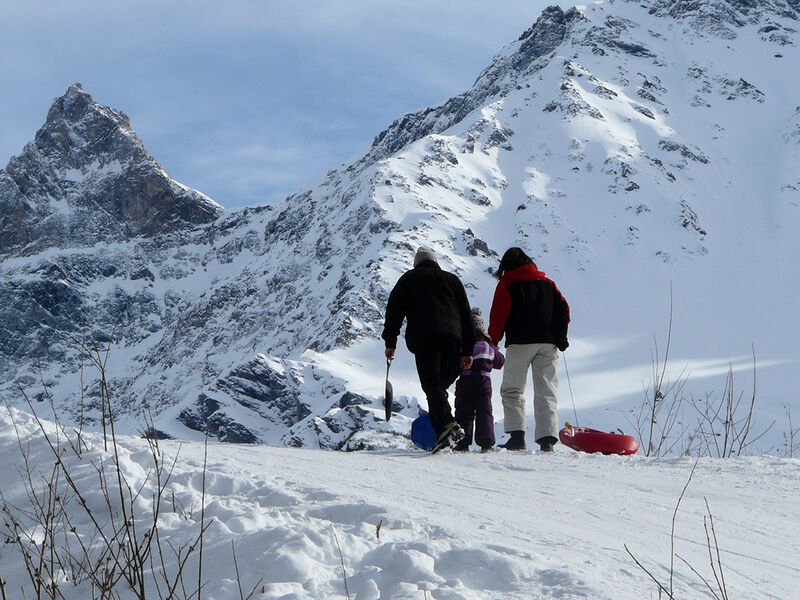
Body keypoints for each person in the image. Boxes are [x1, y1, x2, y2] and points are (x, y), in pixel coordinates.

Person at [382, 246, 475, 451]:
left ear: (417, 263)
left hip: (425, 339)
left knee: (432, 385)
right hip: (453, 341)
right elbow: (467, 317)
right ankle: (443, 433)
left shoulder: (409, 279)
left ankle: (448, 425)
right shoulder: (452, 280)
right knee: (438, 387)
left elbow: (394, 311)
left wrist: (391, 342)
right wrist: (468, 350)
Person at [488, 248, 570, 452]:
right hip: (548, 343)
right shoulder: (548, 283)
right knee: (546, 390)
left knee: (513, 389)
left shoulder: (508, 283)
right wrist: (560, 336)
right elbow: (564, 310)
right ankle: (547, 439)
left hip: (519, 343)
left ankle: (517, 437)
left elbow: (499, 314)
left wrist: (494, 341)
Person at [453, 307, 505, 452]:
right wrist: (494, 348)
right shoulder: (488, 347)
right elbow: (500, 362)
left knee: (464, 412)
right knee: (485, 412)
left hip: (465, 382)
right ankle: (486, 442)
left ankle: (463, 442)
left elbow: (454, 361)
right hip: (484, 383)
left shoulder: (463, 345)